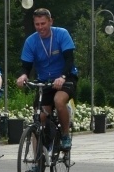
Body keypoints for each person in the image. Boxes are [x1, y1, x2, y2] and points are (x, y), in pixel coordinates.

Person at [16, 8, 76, 151]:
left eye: (43, 23)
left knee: (58, 101)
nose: (40, 27)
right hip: (44, 81)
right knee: (39, 117)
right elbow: (26, 66)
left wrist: (62, 77)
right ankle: (37, 160)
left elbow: (69, 59)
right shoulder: (31, 41)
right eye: (37, 24)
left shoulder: (61, 34)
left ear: (50, 21)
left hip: (65, 77)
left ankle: (66, 135)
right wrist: (23, 75)